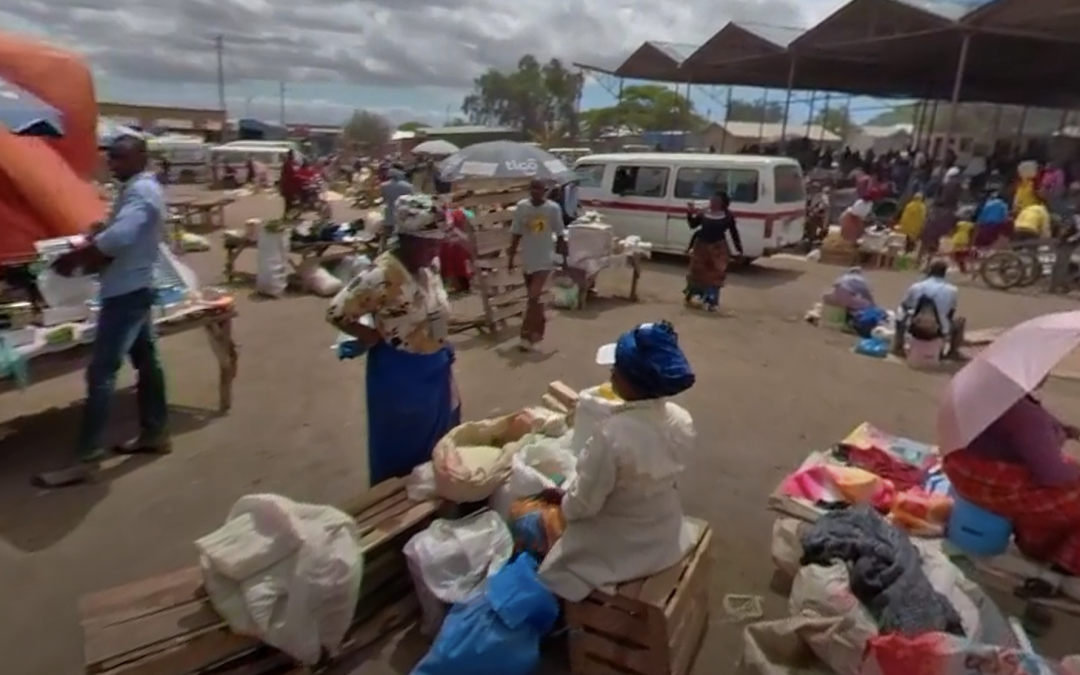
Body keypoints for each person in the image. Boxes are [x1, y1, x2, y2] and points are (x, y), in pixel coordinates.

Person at [36, 135, 169, 487]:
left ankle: (86, 457)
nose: (114, 164)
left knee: (101, 373)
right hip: (136, 287)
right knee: (147, 361)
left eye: (121, 158)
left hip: (126, 292)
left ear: (141, 157)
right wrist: (98, 232)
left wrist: (78, 260)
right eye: (111, 158)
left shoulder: (141, 192)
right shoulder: (138, 188)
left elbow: (121, 238)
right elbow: (116, 229)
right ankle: (155, 433)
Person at [536, 321, 698, 600]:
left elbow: (580, 509)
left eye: (617, 369)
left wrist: (562, 497)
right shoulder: (680, 419)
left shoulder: (611, 436)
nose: (611, 373)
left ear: (634, 382)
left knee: (530, 522)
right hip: (665, 534)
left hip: (621, 551)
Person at [326, 193, 460, 486]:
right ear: (408, 238)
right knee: (403, 457)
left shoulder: (429, 267)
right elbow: (337, 311)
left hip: (435, 369)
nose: (436, 249)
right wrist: (370, 335)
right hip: (400, 376)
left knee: (437, 450)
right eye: (430, 242)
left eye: (438, 242)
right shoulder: (381, 275)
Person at [942, 382, 1080, 575]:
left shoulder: (989, 394)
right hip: (991, 485)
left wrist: (1062, 430)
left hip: (962, 472)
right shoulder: (1026, 416)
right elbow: (1053, 475)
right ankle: (1060, 558)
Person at [507, 179, 567, 351]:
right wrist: (510, 258)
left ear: (545, 191)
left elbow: (560, 234)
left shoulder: (552, 209)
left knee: (533, 297)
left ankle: (525, 336)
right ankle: (539, 329)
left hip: (544, 259)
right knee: (535, 300)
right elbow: (516, 232)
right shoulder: (522, 207)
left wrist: (564, 260)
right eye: (532, 188)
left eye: (539, 189)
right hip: (528, 259)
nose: (535, 192)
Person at [893, 259, 965, 360]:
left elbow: (905, 305)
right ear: (944, 273)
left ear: (929, 271)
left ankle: (898, 347)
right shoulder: (952, 290)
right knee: (960, 322)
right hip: (939, 330)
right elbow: (951, 312)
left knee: (900, 313)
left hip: (914, 327)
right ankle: (952, 352)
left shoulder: (916, 287)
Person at [685, 191, 744, 312]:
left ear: (722, 203)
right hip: (701, 246)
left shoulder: (727, 216)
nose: (712, 203)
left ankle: (711, 301)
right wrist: (690, 212)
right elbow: (692, 225)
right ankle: (695, 296)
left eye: (715, 201)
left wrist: (739, 249)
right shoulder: (704, 213)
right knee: (698, 273)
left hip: (718, 249)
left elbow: (734, 233)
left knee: (716, 274)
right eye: (711, 200)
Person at [379, 166, 414, 235]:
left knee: (387, 231)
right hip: (402, 211)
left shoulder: (383, 185)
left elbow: (384, 199)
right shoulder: (408, 186)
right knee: (403, 232)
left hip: (389, 210)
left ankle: (384, 244)